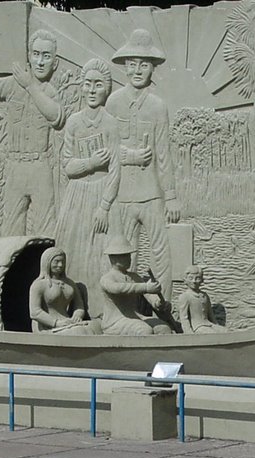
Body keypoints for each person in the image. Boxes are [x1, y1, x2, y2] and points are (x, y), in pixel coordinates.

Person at [106, 29, 181, 304]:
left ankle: (166, 307)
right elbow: (107, 148)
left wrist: (171, 197)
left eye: (145, 64)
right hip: (122, 195)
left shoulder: (158, 106)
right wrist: (128, 155)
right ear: (125, 67)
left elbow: (163, 155)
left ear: (153, 68)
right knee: (125, 255)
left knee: (160, 252)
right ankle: (128, 308)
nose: (138, 70)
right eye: (133, 64)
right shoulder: (113, 103)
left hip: (151, 194)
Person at [0, 24, 67, 236]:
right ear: (29, 56)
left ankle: (45, 268)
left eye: (46, 56)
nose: (40, 61)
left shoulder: (49, 92)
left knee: (46, 226)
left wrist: (30, 86)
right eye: (36, 54)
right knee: (12, 227)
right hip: (15, 166)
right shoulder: (12, 85)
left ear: (55, 63)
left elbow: (56, 117)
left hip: (40, 167)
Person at [54, 58, 120, 321]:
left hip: (101, 195)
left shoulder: (111, 124)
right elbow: (67, 166)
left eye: (98, 85)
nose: (92, 90)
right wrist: (91, 163)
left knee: (99, 255)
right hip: (77, 196)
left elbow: (116, 170)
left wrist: (104, 206)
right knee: (73, 250)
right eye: (88, 84)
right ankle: (70, 310)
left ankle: (102, 313)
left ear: (107, 90)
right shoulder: (73, 123)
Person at [99, 238, 173, 336]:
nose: (129, 259)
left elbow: (148, 295)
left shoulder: (134, 277)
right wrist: (146, 287)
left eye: (129, 255)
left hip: (136, 317)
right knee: (144, 330)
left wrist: (157, 302)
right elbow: (118, 289)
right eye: (125, 256)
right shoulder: (107, 278)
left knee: (163, 328)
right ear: (113, 258)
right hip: (115, 321)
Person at [29, 247, 94, 334]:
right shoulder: (39, 284)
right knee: (78, 332)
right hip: (46, 326)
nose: (60, 265)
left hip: (67, 322)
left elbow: (79, 306)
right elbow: (35, 312)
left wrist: (77, 316)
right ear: (47, 262)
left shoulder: (70, 283)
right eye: (56, 261)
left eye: (62, 262)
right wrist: (56, 323)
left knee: (93, 327)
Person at [177, 266, 224, 334]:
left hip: (209, 324)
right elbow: (184, 318)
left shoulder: (204, 296)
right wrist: (189, 333)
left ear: (202, 280)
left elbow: (211, 315)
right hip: (197, 327)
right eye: (191, 278)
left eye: (197, 278)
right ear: (185, 280)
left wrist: (217, 326)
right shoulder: (185, 296)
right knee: (212, 333)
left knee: (226, 331)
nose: (194, 281)